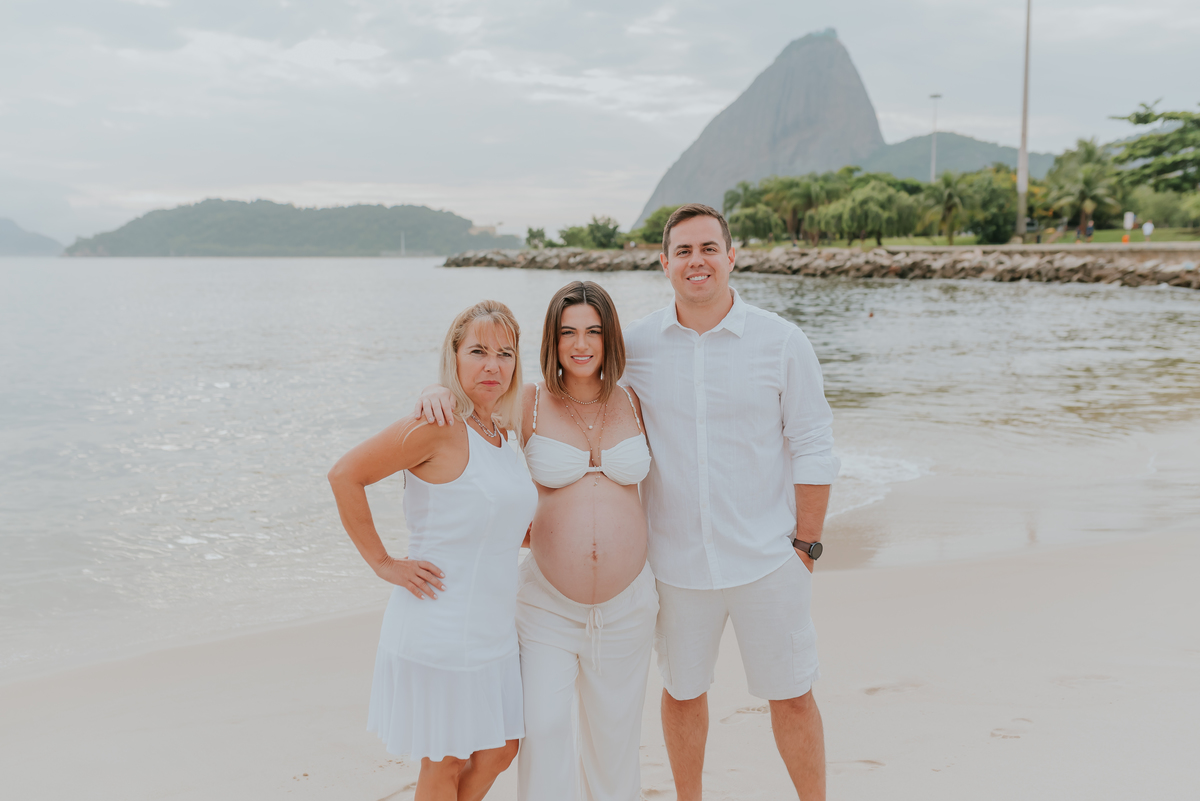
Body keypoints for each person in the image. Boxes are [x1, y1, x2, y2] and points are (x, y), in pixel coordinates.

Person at [622, 203, 839, 801]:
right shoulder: (635, 345)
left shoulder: (782, 341)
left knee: (793, 695)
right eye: (684, 251)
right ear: (664, 263)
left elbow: (814, 444)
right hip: (675, 565)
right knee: (682, 692)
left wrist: (806, 545)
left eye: (709, 248)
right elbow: (571, 395)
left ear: (731, 256)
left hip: (769, 560)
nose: (697, 261)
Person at [417, 282, 658, 801]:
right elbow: (472, 421)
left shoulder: (634, 400)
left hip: (628, 606)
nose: (581, 344)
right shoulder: (526, 402)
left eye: (594, 331)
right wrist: (436, 391)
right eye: (568, 332)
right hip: (547, 606)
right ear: (552, 339)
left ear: (610, 338)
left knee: (616, 739)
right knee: (543, 730)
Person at [329, 300, 537, 801]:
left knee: (501, 749)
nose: (492, 365)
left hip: (492, 630)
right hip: (440, 626)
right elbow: (345, 475)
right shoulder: (437, 425)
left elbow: (500, 523)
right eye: (478, 351)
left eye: (505, 353)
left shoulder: (501, 432)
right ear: (454, 355)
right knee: (444, 762)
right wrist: (383, 563)